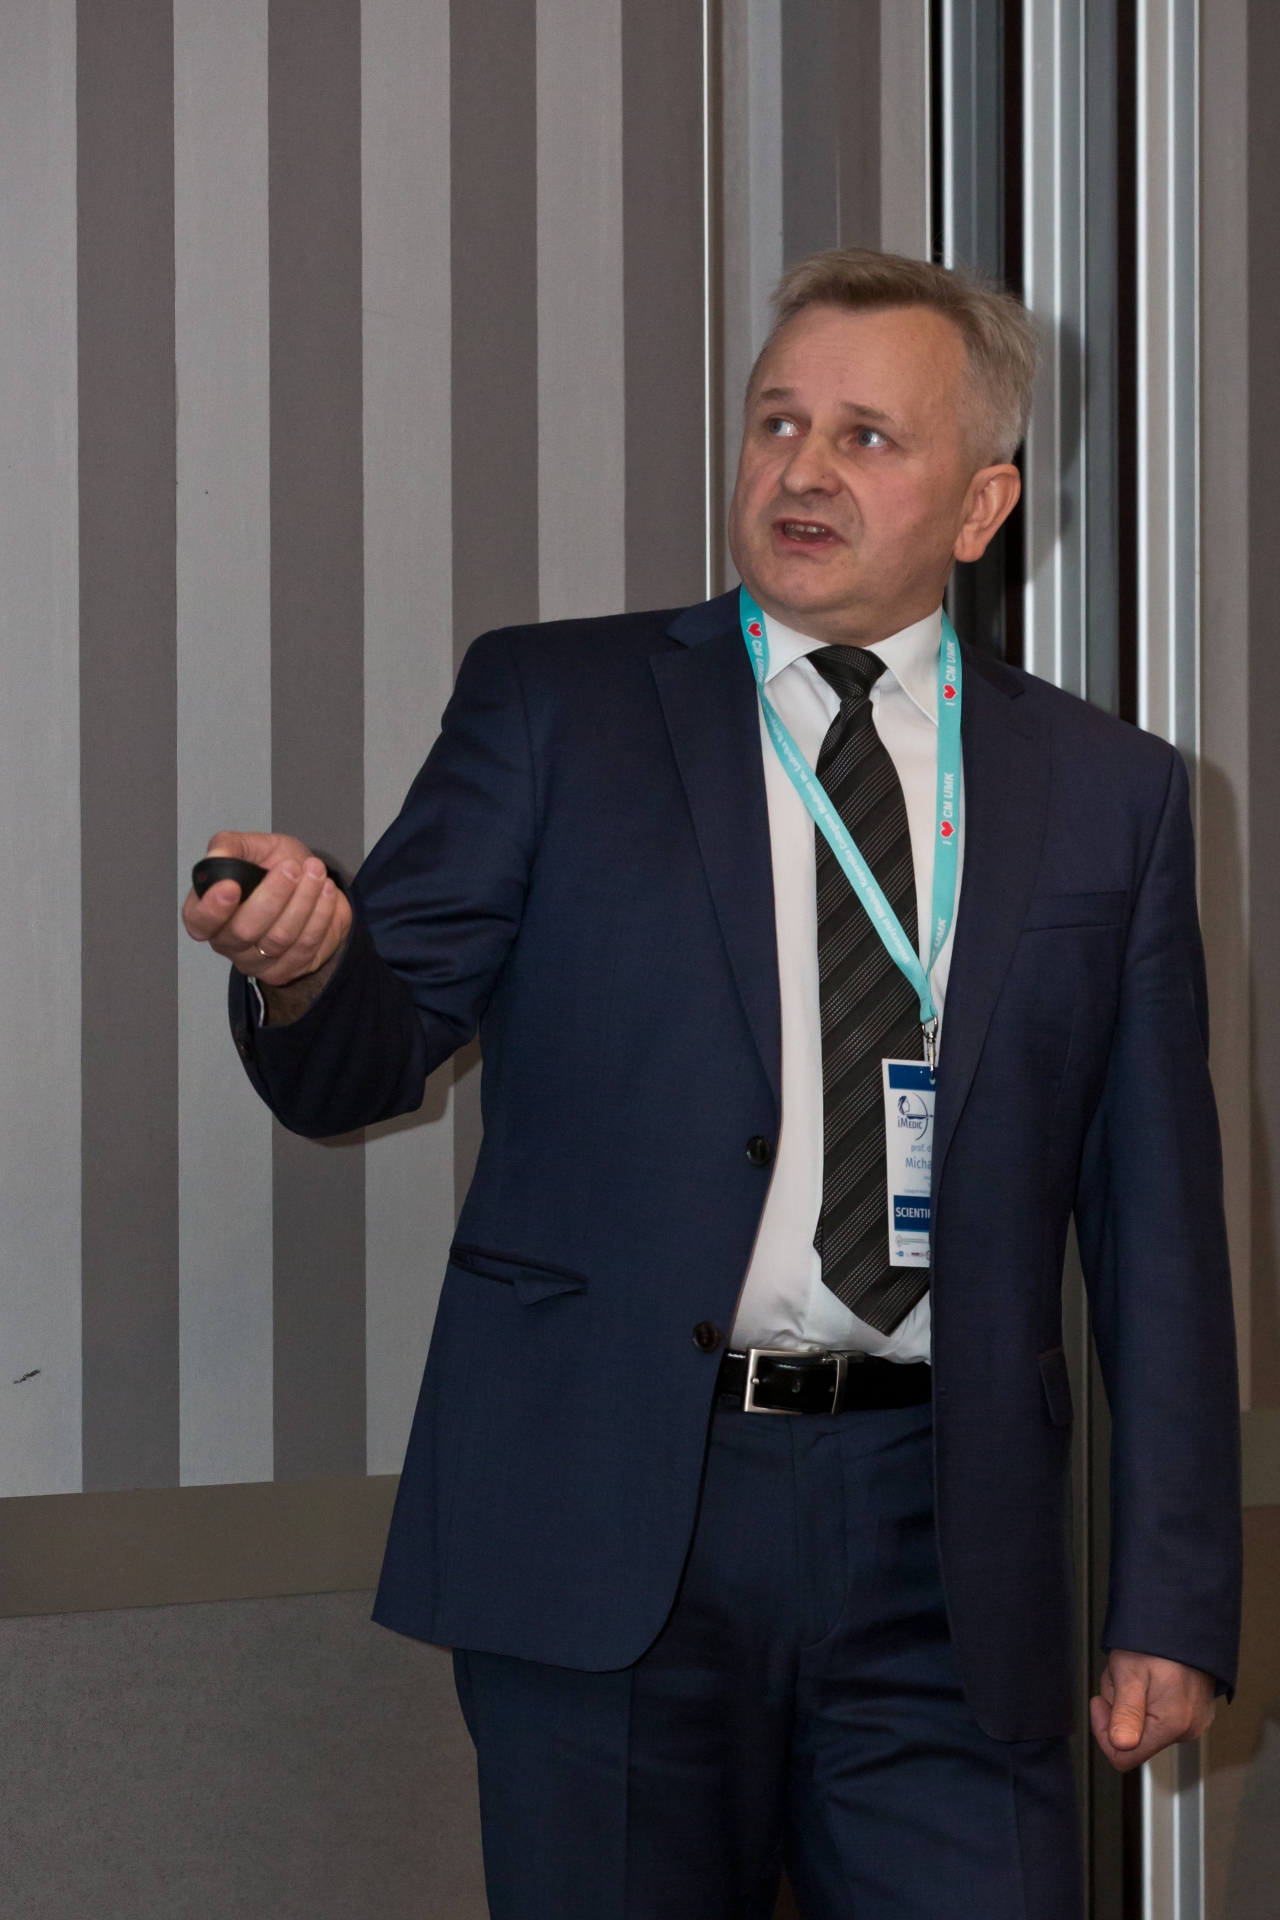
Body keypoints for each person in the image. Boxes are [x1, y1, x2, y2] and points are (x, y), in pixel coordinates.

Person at [184, 249, 1241, 1920]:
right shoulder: (557, 707)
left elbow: (1159, 1226)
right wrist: (307, 969)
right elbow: (368, 1052)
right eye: (777, 422)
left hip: (947, 1538)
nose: (805, 469)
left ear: (982, 506)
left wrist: (1174, 1593)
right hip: (617, 1516)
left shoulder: (1112, 794)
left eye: (868, 437)